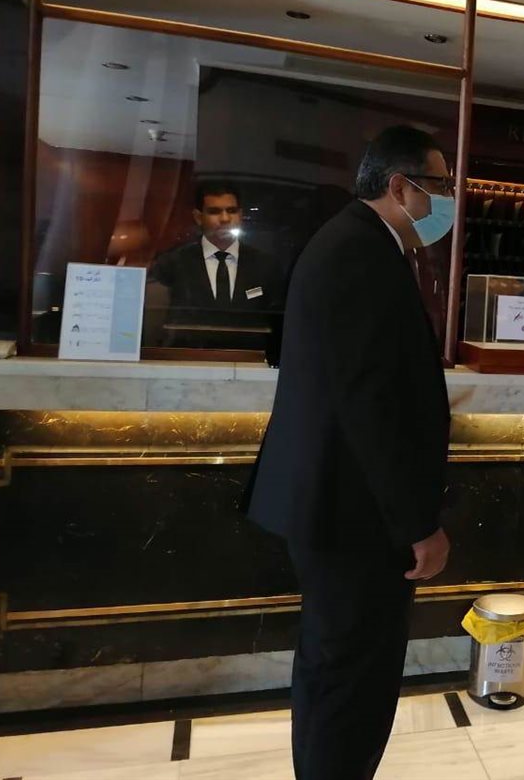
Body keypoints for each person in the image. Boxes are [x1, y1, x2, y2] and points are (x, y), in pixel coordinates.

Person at [244, 125, 455, 780]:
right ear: (401, 186)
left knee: (336, 669)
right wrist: (417, 523)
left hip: (339, 507)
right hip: (353, 515)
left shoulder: (356, 243)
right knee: (352, 681)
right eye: (440, 185)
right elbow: (371, 407)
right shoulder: (361, 254)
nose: (446, 201)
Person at [148, 181, 283, 346]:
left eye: (231, 211)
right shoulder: (173, 263)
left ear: (240, 215)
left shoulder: (265, 265)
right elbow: (157, 322)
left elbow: (277, 324)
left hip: (250, 357)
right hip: (188, 356)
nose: (225, 219)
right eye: (214, 211)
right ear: (198, 217)